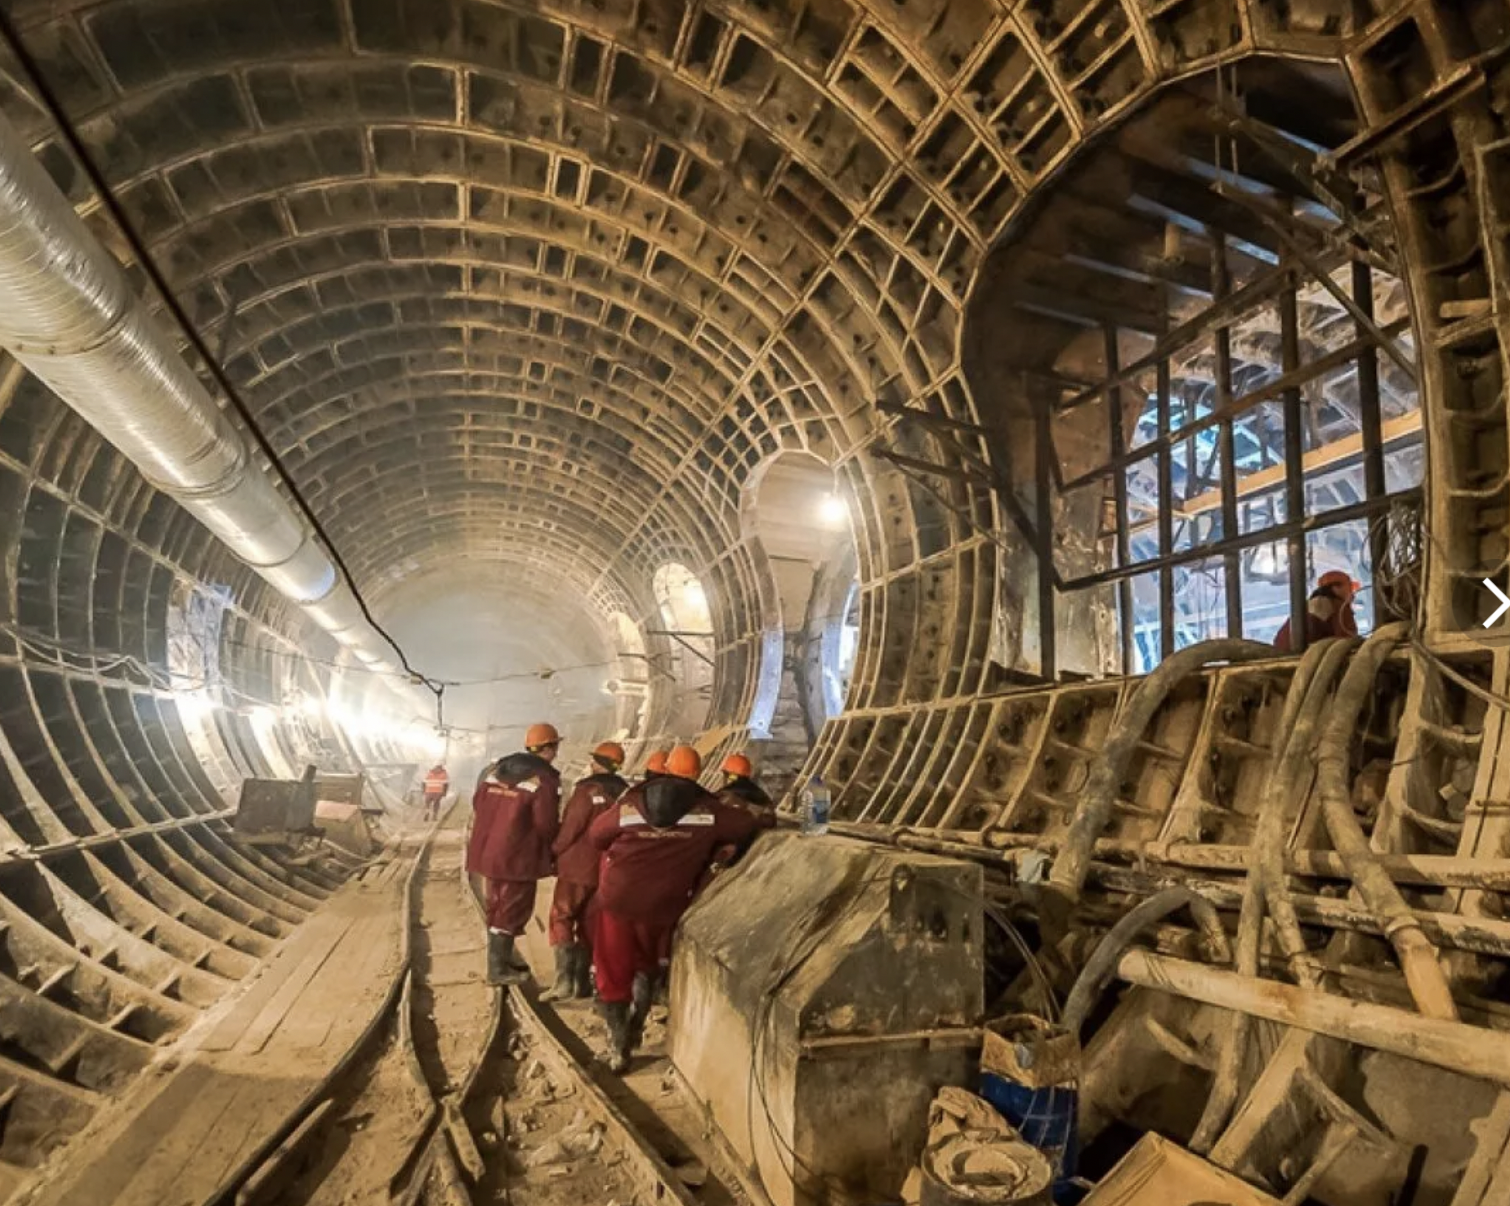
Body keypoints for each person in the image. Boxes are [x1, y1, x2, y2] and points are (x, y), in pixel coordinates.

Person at [588, 745, 761, 1072]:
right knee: (649, 962)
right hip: (668, 903)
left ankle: (618, 1047)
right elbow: (747, 826)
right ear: (697, 774)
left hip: (619, 899)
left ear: (664, 768)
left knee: (613, 969)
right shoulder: (708, 810)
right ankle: (638, 1021)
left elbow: (597, 836)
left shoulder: (632, 801)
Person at [467, 723, 561, 985]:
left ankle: (501, 960)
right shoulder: (544, 778)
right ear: (549, 748)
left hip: (488, 851)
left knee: (496, 905)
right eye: (555, 747)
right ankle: (497, 970)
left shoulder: (495, 771)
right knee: (512, 908)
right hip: (517, 856)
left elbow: (477, 803)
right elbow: (545, 824)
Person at [541, 740, 628, 1002]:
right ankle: (583, 985)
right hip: (606, 870)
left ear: (596, 763)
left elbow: (571, 827)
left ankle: (564, 981)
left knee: (562, 917)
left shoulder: (586, 790)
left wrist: (553, 850)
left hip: (577, 867)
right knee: (590, 926)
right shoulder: (626, 794)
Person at [1273, 570, 1360, 652]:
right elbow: (1347, 640)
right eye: (1349, 588)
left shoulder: (1307, 605)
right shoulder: (1339, 606)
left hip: (1282, 654)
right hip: (1303, 657)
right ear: (1336, 587)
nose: (1352, 593)